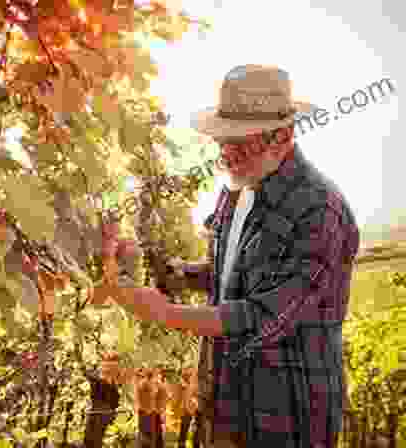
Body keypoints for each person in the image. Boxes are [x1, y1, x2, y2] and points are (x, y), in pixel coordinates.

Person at [104, 65, 360, 447]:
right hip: (225, 404)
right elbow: (227, 276)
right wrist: (158, 266)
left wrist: (165, 313)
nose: (225, 151)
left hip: (287, 418)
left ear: (284, 135)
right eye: (223, 138)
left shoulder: (320, 210)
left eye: (240, 139)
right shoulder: (243, 188)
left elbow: (266, 316)